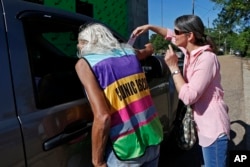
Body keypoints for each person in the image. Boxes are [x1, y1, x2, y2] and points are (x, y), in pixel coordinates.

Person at [132, 15, 230, 167]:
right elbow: (168, 34)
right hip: (203, 125)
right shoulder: (189, 52)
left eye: (178, 32)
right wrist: (150, 27)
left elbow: (189, 97)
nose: (174, 35)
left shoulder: (207, 59)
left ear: (189, 35)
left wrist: (173, 67)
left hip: (213, 128)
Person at [75, 23, 163, 167]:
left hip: (126, 150)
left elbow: (103, 117)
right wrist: (150, 47)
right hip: (153, 136)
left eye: (79, 42)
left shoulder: (84, 64)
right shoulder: (129, 52)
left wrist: (97, 161)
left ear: (86, 43)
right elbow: (146, 52)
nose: (78, 46)